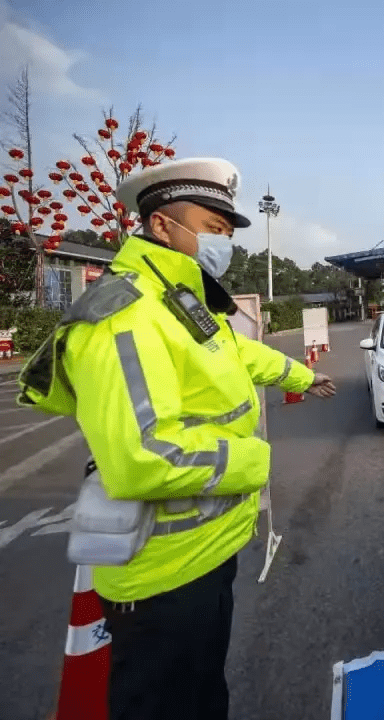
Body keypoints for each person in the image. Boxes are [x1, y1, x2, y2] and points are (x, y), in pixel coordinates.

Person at [17, 158, 336, 720]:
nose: (223, 243)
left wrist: (303, 377)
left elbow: (233, 353)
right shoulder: (124, 315)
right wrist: (254, 461)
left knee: (205, 697)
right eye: (211, 228)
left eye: (228, 232)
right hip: (162, 582)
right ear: (161, 226)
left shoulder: (178, 299)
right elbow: (145, 457)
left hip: (206, 555)